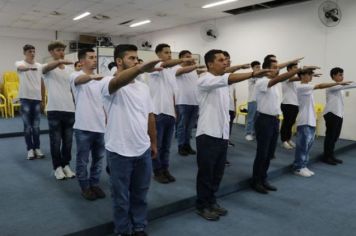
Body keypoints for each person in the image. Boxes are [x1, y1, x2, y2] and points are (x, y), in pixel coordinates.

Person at [195, 49, 271, 221]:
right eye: (221, 60)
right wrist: (252, 73)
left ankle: (211, 201)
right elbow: (228, 77)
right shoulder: (204, 79)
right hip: (207, 134)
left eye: (226, 60)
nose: (225, 62)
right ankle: (202, 205)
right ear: (210, 64)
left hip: (221, 135)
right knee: (206, 174)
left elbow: (227, 77)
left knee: (218, 173)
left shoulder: (221, 82)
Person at [102, 44, 160, 236]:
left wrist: (152, 142)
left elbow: (150, 116)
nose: (136, 61)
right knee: (121, 197)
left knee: (140, 194)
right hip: (119, 151)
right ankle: (122, 230)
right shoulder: (108, 82)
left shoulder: (143, 88)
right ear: (119, 61)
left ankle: (139, 227)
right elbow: (118, 82)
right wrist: (141, 68)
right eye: (131, 58)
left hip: (142, 149)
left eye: (137, 59)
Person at [251, 58, 318, 194]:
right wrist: (299, 69)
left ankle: (263, 178)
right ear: (267, 69)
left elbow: (281, 76)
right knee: (262, 153)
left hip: (274, 120)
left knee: (269, 153)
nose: (278, 69)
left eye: (278, 67)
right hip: (263, 120)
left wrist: (297, 68)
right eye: (274, 67)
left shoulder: (276, 81)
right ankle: (256, 181)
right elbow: (278, 78)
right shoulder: (262, 81)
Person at [147, 43, 194, 184]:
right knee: (157, 146)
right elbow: (166, 64)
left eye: (170, 52)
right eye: (166, 52)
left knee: (166, 147)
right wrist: (183, 60)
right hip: (157, 113)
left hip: (169, 114)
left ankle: (165, 169)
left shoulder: (171, 72)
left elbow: (172, 94)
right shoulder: (156, 69)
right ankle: (157, 171)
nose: (169, 55)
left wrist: (174, 112)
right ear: (159, 55)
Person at [293, 70, 351, 177]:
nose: (311, 76)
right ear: (301, 76)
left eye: (311, 74)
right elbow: (320, 85)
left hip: (310, 120)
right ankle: (298, 167)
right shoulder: (301, 87)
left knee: (307, 146)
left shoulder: (307, 86)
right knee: (302, 146)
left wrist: (311, 75)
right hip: (304, 120)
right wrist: (340, 83)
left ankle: (303, 165)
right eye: (309, 74)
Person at [70, 48, 106, 201]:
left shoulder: (101, 80)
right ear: (82, 61)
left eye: (95, 57)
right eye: (91, 57)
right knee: (83, 160)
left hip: (100, 126)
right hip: (83, 127)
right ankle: (85, 187)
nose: (94, 59)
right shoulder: (75, 75)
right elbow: (80, 81)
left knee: (98, 159)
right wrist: (95, 77)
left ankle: (94, 183)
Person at [42, 41, 76, 180]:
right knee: (56, 141)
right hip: (54, 109)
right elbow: (46, 69)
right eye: (58, 50)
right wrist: (60, 61)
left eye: (62, 50)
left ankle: (66, 164)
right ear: (51, 52)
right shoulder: (46, 67)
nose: (61, 52)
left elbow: (73, 88)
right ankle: (57, 167)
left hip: (69, 109)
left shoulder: (70, 70)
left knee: (68, 142)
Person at [15, 44, 45, 160]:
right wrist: (29, 68)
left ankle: (37, 148)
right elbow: (21, 68)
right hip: (25, 99)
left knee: (36, 127)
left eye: (33, 51)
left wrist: (42, 98)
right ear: (25, 53)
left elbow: (42, 83)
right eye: (29, 52)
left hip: (37, 100)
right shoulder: (19, 63)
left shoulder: (39, 66)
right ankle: (30, 149)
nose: (32, 53)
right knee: (27, 127)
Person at [322, 67, 356, 165]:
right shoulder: (332, 86)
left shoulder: (340, 88)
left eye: (342, 74)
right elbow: (346, 85)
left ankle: (331, 155)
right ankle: (326, 157)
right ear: (334, 76)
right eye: (340, 75)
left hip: (338, 114)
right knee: (330, 136)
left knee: (335, 137)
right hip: (331, 114)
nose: (342, 77)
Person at [174, 50, 204, 156]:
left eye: (191, 56)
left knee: (190, 127)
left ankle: (187, 145)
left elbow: (196, 72)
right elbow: (181, 71)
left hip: (195, 102)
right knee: (182, 125)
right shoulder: (177, 68)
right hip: (183, 102)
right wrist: (196, 66)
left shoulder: (193, 71)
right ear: (182, 58)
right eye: (188, 57)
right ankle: (181, 146)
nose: (191, 58)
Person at [222, 51, 250, 148]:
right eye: (225, 59)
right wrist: (250, 72)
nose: (228, 61)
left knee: (228, 126)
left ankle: (227, 140)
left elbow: (234, 94)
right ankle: (223, 143)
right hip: (222, 107)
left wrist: (234, 107)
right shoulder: (219, 75)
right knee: (221, 128)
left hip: (230, 106)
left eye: (229, 59)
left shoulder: (232, 76)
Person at [280, 63, 300, 149]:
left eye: (297, 67)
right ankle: (284, 140)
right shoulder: (286, 77)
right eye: (295, 67)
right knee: (286, 123)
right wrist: (305, 74)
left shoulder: (295, 81)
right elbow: (295, 78)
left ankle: (288, 139)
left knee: (291, 123)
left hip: (295, 104)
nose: (297, 68)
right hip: (287, 103)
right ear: (289, 69)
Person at [245, 60, 261, 141]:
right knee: (250, 118)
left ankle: (254, 133)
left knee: (257, 119)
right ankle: (248, 133)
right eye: (257, 67)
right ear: (252, 68)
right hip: (252, 100)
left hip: (259, 101)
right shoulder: (251, 76)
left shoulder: (261, 76)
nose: (259, 68)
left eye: (259, 67)